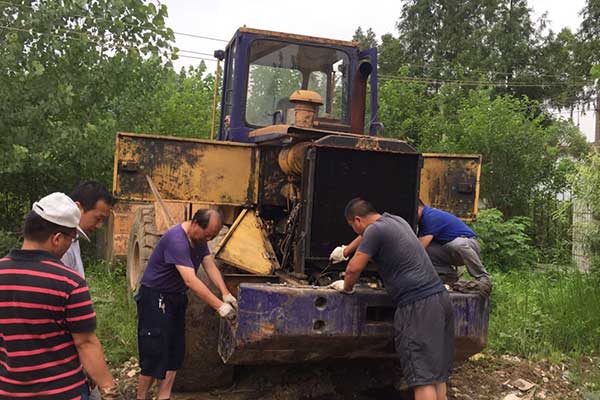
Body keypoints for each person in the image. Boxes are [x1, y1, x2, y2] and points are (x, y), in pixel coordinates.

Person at [329, 198, 453, 400]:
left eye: (353, 227)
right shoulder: (396, 221)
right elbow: (366, 236)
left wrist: (347, 287)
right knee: (436, 373)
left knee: (422, 378)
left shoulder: (374, 231)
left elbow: (353, 268)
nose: (356, 232)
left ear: (357, 220)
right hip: (440, 299)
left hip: (418, 306)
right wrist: (345, 250)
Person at [0, 192, 121, 399]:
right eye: (71, 239)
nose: (69, 247)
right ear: (57, 238)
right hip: (61, 392)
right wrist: (109, 388)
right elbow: (85, 343)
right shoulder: (69, 283)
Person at [135, 208, 238, 400]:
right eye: (207, 235)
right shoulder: (177, 240)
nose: (207, 240)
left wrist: (225, 294)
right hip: (156, 297)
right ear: (196, 223)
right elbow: (191, 280)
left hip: (176, 297)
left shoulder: (199, 240)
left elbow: (209, 266)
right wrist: (219, 306)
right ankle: (141, 397)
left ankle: (164, 396)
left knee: (175, 350)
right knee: (154, 351)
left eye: (211, 237)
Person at [417, 200, 491, 296]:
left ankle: (483, 277)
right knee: (428, 250)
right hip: (451, 250)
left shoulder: (430, 216)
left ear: (418, 209)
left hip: (469, 244)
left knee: (456, 244)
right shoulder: (422, 222)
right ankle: (449, 276)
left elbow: (419, 248)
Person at [61, 181, 115, 277]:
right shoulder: (61, 244)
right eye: (98, 218)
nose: (99, 225)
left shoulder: (73, 239)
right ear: (78, 208)